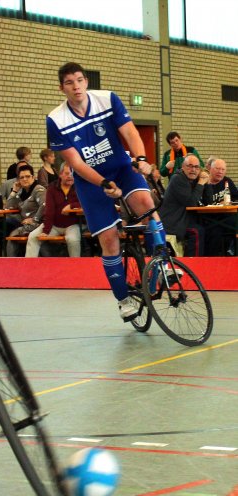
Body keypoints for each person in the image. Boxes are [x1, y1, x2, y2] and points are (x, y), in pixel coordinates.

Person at [47, 62, 165, 322]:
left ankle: (163, 265)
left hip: (121, 166)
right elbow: (76, 163)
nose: (76, 86)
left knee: (146, 203)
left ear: (86, 82)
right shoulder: (55, 120)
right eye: (69, 82)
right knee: (109, 239)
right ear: (62, 88)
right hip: (91, 182)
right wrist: (103, 184)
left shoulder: (107, 99)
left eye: (79, 80)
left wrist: (141, 157)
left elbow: (130, 132)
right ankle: (123, 300)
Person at [26, 162, 81, 258]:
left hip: (72, 225)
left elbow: (86, 203)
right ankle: (29, 267)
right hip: (53, 225)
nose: (70, 176)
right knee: (33, 236)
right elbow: (49, 210)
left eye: (73, 174)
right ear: (60, 174)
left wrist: (71, 206)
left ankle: (76, 267)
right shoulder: (52, 187)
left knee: (72, 240)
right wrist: (46, 230)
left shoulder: (80, 187)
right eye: (67, 173)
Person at [158, 154, 208, 256]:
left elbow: (208, 200)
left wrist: (207, 182)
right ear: (183, 167)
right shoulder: (178, 179)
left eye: (196, 167)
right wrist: (201, 183)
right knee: (197, 231)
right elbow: (191, 202)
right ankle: (193, 263)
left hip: (185, 218)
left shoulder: (192, 180)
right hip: (173, 222)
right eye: (190, 166)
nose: (193, 170)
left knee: (211, 228)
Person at [5, 164, 46, 257]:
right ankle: (12, 264)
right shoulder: (21, 192)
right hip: (26, 224)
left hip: (40, 224)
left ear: (33, 177)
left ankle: (10, 264)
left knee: (13, 235)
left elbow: (45, 205)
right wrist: (14, 191)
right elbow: (8, 207)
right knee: (10, 229)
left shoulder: (38, 189)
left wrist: (34, 219)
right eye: (21, 177)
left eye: (27, 176)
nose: (24, 179)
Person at [201, 158, 238, 255]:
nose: (220, 172)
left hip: (227, 216)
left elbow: (236, 198)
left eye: (223, 169)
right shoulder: (204, 183)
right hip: (209, 218)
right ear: (210, 169)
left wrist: (230, 202)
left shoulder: (227, 181)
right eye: (217, 169)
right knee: (215, 232)